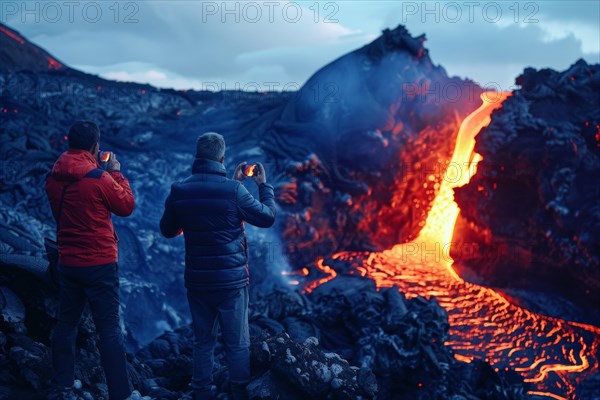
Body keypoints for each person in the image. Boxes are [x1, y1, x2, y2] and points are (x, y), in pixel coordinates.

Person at [160, 132, 276, 400]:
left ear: (197, 157)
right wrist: (263, 186)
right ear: (222, 158)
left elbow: (168, 230)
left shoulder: (180, 190)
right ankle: (238, 393)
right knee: (237, 344)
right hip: (231, 284)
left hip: (198, 283)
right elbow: (267, 217)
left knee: (203, 343)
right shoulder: (235, 191)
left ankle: (201, 393)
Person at [45, 121, 135, 400]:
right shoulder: (98, 178)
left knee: (66, 323)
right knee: (108, 329)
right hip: (100, 265)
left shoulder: (54, 177)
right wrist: (117, 174)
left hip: (68, 261)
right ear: (96, 148)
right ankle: (120, 393)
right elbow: (126, 206)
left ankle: (63, 384)